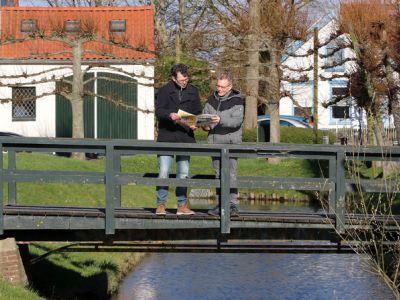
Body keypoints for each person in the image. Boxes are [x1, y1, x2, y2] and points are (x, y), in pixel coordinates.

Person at [155, 63, 202, 215]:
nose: (185, 82)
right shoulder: (164, 90)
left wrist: (195, 123)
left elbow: (197, 113)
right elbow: (159, 111)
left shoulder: (193, 91)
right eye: (182, 80)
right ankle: (161, 204)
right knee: (163, 171)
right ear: (173, 78)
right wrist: (170, 115)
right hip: (167, 135)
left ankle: (181, 205)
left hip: (185, 137)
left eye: (186, 79)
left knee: (183, 172)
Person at [202, 72, 244, 217]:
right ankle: (220, 204)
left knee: (231, 174)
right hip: (214, 143)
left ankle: (232, 205)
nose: (219, 89)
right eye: (218, 86)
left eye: (223, 87)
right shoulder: (210, 100)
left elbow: (236, 122)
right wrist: (205, 125)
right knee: (218, 175)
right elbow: (204, 118)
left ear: (230, 87)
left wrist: (220, 119)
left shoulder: (237, 101)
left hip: (231, 143)